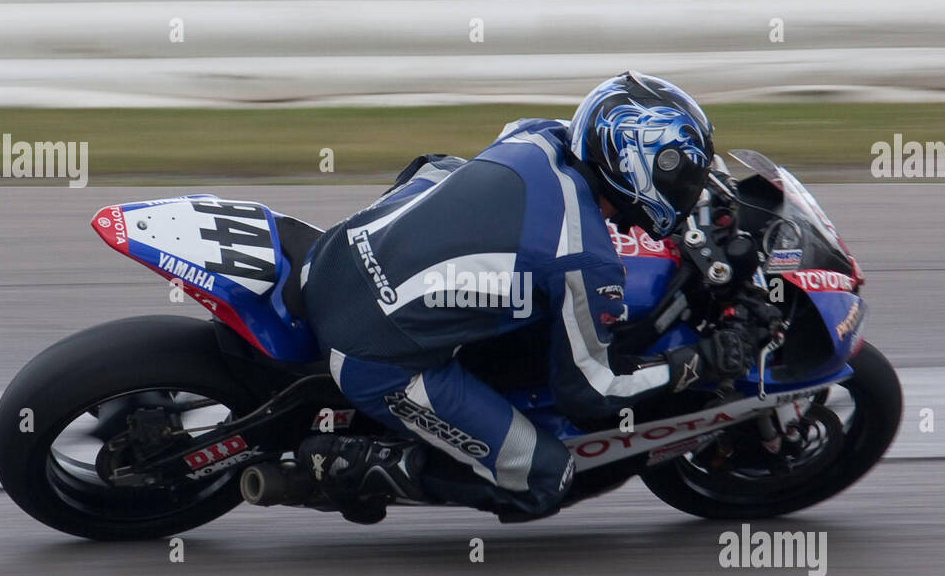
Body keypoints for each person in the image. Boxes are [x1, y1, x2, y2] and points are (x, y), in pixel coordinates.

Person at [297, 71, 752, 523]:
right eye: (684, 174)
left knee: (444, 167)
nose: (691, 188)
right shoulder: (585, 261)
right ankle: (358, 465)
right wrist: (700, 362)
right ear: (639, 166)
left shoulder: (540, 134)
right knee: (547, 478)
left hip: (335, 254)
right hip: (373, 351)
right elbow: (593, 393)